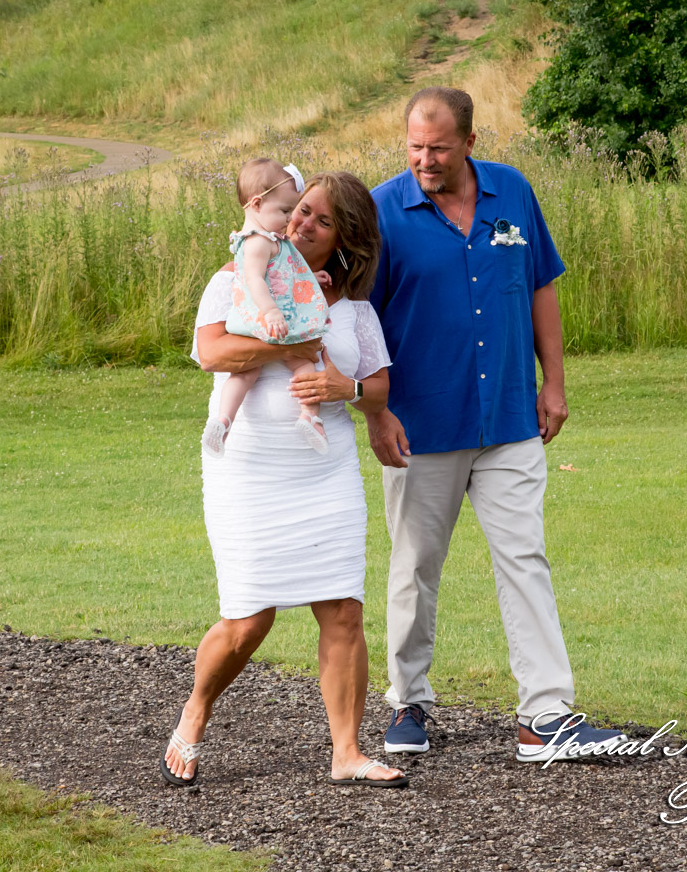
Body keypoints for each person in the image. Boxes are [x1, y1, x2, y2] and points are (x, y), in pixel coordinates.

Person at [366, 86, 627, 762]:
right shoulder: (383, 210)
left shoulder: (512, 192)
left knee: (525, 558)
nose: (426, 159)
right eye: (415, 147)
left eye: (440, 148)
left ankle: (545, 716)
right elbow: (358, 321)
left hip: (509, 414)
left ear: (470, 143)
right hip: (421, 425)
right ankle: (409, 701)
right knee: (416, 564)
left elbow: (541, 285)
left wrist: (555, 383)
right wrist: (376, 409)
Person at [164, 171, 409, 788]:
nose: (301, 224)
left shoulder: (354, 310)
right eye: (300, 211)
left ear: (344, 240)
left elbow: (378, 385)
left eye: (321, 221)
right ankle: (197, 709)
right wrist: (286, 342)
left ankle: (347, 753)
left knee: (344, 611)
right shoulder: (234, 278)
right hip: (248, 468)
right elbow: (213, 353)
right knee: (250, 618)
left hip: (325, 472)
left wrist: (343, 389)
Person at [202, 157, 331, 457]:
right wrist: (271, 312)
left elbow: (282, 272)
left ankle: (223, 419)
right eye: (285, 210)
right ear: (257, 204)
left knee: (246, 373)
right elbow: (255, 279)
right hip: (267, 316)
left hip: (259, 318)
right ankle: (310, 416)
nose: (290, 219)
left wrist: (310, 276)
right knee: (305, 364)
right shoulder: (258, 242)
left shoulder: (271, 239)